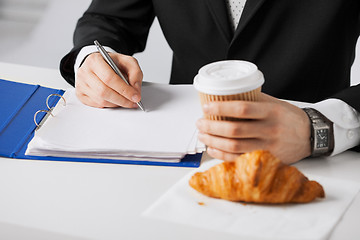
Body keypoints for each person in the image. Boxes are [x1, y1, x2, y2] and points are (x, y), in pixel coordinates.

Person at [60, 0, 360, 164]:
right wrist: (93, 58)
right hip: (179, 150)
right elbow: (108, 17)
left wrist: (320, 127)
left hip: (317, 160)